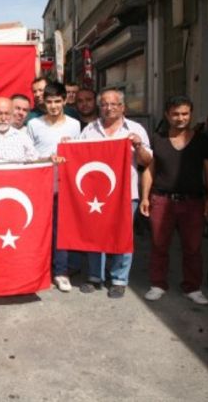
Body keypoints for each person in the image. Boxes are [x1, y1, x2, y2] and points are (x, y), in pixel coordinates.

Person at [140, 95, 208, 305]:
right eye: (175, 114)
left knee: (193, 247)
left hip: (193, 202)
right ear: (167, 115)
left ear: (190, 114)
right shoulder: (157, 139)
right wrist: (145, 197)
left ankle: (192, 287)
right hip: (162, 200)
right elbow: (149, 169)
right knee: (158, 245)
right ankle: (157, 284)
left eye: (185, 113)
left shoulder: (202, 140)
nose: (180, 118)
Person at [78, 88, 152, 299]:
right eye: (104, 104)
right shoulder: (90, 130)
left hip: (126, 193)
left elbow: (147, 162)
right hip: (95, 195)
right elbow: (79, 158)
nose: (108, 108)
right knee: (94, 235)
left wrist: (138, 146)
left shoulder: (135, 129)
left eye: (114, 104)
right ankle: (94, 276)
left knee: (123, 237)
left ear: (123, 107)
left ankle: (119, 279)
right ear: (99, 107)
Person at [27, 83, 81, 293]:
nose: (53, 106)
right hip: (40, 186)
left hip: (66, 186)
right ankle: (38, 270)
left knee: (62, 232)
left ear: (65, 101)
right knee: (39, 230)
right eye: (49, 102)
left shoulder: (75, 125)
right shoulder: (34, 125)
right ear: (43, 103)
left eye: (57, 101)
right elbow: (28, 157)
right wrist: (45, 159)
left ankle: (60, 272)